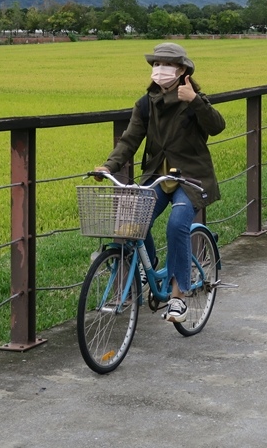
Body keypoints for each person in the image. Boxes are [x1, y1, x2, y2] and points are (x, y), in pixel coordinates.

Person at [94, 42, 226, 323]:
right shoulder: (145, 104)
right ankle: (149, 263)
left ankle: (178, 297)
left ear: (181, 70)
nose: (160, 70)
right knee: (133, 220)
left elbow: (217, 126)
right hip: (157, 177)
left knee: (177, 224)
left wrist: (195, 100)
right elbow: (129, 139)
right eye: (156, 64)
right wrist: (109, 165)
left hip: (190, 178)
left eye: (166, 65)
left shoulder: (194, 100)